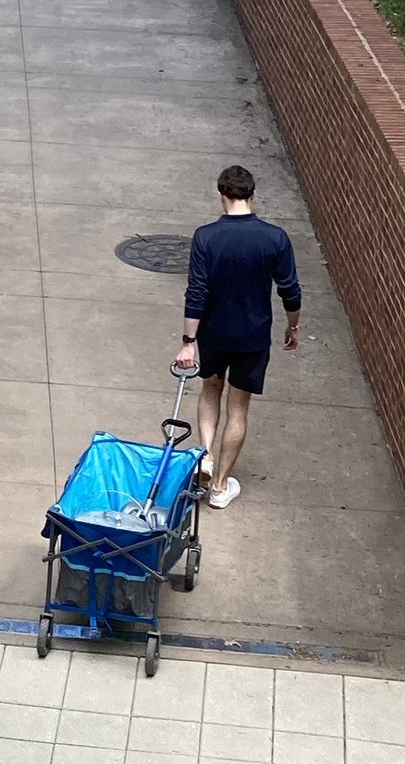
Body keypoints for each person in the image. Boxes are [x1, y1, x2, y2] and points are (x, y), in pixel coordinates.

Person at [174, 165, 302, 509]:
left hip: (214, 332)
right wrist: (293, 326)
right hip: (253, 335)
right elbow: (289, 290)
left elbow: (196, 292)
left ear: (221, 194)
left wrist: (189, 342)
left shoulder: (206, 237)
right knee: (239, 408)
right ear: (252, 194)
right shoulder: (274, 238)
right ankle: (218, 488)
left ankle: (205, 454)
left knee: (210, 389)